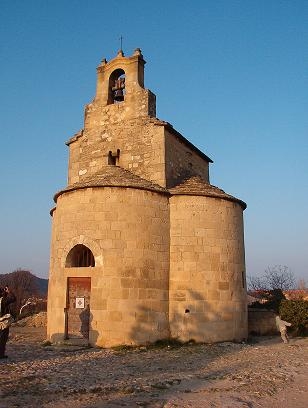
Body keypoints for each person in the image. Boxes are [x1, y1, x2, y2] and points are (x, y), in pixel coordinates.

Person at [0, 286, 16, 359]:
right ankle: (1, 354)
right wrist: (9, 292)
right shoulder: (3, 300)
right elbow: (13, 299)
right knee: (3, 338)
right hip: (3, 322)